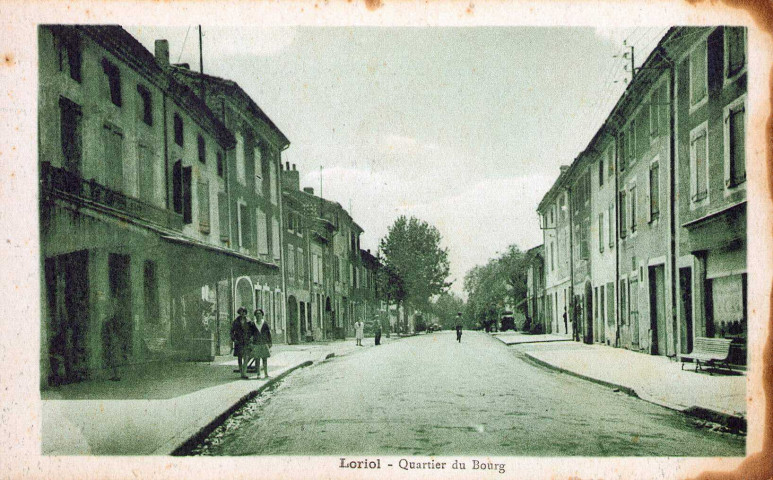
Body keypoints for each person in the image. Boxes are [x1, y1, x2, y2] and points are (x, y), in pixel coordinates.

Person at [230, 307, 256, 379]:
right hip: (238, 341)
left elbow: (253, 331)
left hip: (246, 341)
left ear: (245, 313)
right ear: (239, 313)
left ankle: (244, 372)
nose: (242, 313)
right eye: (241, 312)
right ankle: (241, 372)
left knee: (246, 356)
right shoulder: (236, 322)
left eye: (244, 312)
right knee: (239, 357)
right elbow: (232, 331)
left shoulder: (249, 321)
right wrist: (233, 339)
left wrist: (252, 338)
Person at [252, 309, 272, 379]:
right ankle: (258, 374)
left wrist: (270, 342)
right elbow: (251, 334)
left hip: (264, 343)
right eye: (257, 314)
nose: (258, 315)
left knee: (264, 359)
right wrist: (251, 343)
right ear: (255, 315)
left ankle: (266, 374)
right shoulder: (253, 324)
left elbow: (268, 334)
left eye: (260, 314)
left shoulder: (265, 323)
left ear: (262, 315)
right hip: (256, 343)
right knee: (257, 359)